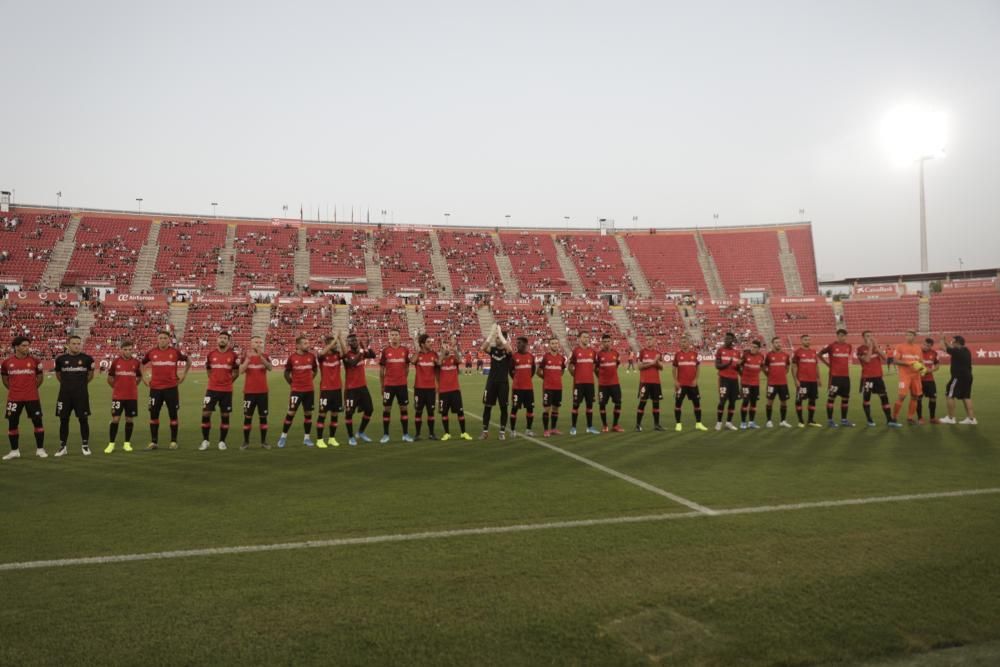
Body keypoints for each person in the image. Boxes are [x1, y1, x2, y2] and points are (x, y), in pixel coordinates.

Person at [142, 330, 191, 449]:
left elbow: (188, 360)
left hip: (171, 388)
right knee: (153, 415)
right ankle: (154, 442)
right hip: (155, 389)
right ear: (157, 339)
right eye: (161, 338)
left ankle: (173, 441)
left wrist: (184, 374)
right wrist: (143, 376)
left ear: (169, 340)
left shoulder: (175, 352)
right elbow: (141, 363)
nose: (163, 340)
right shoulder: (151, 353)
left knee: (173, 415)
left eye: (165, 338)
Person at [1, 336, 46, 460]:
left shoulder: (35, 361)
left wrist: (30, 388)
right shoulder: (6, 363)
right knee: (12, 424)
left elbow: (40, 378)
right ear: (16, 347)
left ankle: (40, 449)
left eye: (28, 345)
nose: (27, 348)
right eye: (24, 346)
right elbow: (5, 379)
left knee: (38, 422)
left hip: (32, 397)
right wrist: (14, 389)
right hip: (14, 398)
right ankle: (14, 451)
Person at [54, 334, 96, 456]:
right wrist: (67, 385)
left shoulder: (88, 359)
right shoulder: (60, 359)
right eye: (74, 343)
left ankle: (85, 445)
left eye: (79, 343)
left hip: (81, 395)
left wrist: (81, 385)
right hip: (64, 395)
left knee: (83, 419)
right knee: (63, 420)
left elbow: (90, 375)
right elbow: (58, 375)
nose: (77, 346)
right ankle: (62, 447)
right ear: (68, 344)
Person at [199, 331, 239, 451]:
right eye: (221, 338)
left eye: (225, 338)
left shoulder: (233, 355)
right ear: (217, 340)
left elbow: (236, 372)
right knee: (206, 414)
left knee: (225, 415)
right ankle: (205, 440)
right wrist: (212, 380)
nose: (222, 340)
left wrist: (228, 381)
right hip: (211, 389)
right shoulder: (211, 354)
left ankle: (222, 441)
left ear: (228, 341)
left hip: (226, 390)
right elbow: (208, 369)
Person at [278, 335, 318, 448]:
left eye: (308, 342)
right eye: (305, 343)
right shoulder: (292, 357)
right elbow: (286, 373)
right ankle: (283, 436)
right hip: (296, 391)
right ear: (298, 345)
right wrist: (292, 384)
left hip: (309, 390)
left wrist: (311, 379)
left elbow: (315, 369)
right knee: (291, 413)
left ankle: (307, 438)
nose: (308, 345)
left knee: (308, 414)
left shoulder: (311, 356)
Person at [105, 340, 142, 453]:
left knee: (129, 419)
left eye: (130, 349)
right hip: (118, 396)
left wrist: (133, 386)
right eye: (125, 349)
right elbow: (110, 378)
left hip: (131, 396)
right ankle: (111, 444)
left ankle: (127, 443)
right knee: (115, 419)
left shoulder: (136, 362)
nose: (127, 351)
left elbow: (139, 377)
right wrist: (117, 387)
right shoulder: (116, 362)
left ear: (132, 350)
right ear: (121, 350)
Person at [856, 331, 899, 428]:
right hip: (867, 378)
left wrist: (876, 347)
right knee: (866, 399)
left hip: (878, 377)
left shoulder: (876, 348)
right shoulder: (860, 349)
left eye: (871, 336)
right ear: (863, 337)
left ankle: (889, 420)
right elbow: (867, 360)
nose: (870, 337)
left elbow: (885, 358)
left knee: (884, 398)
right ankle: (869, 420)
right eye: (867, 336)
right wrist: (871, 347)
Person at [342, 333, 377, 445]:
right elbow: (352, 363)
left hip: (363, 387)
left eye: (355, 340)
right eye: (351, 341)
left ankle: (361, 432)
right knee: (349, 413)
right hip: (351, 389)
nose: (354, 342)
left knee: (369, 410)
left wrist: (367, 347)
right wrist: (361, 352)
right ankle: (351, 437)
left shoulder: (361, 353)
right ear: (348, 343)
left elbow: (373, 355)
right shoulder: (346, 355)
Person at [239, 335, 273, 449]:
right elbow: (241, 371)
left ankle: (264, 442)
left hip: (263, 392)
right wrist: (248, 359)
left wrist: (261, 357)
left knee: (263, 417)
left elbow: (270, 368)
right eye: (256, 342)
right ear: (251, 344)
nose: (258, 344)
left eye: (260, 342)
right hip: (249, 392)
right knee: (247, 417)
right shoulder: (245, 356)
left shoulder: (266, 356)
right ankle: (246, 442)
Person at [379, 328, 412, 443]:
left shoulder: (405, 350)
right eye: (392, 335)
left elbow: (407, 367)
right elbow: (381, 369)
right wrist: (382, 385)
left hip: (402, 385)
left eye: (396, 334)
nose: (394, 336)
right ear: (389, 336)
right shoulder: (385, 351)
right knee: (387, 409)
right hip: (389, 385)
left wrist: (403, 378)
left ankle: (405, 434)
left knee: (404, 408)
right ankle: (386, 435)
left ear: (399, 336)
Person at [480, 323, 513, 439]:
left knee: (503, 408)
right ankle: (485, 431)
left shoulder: (508, 352)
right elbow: (483, 348)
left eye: (498, 338)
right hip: (491, 383)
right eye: (497, 337)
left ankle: (502, 432)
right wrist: (491, 335)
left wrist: (500, 334)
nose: (497, 339)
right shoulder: (493, 350)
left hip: (503, 383)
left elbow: (510, 349)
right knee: (487, 407)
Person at [437, 335, 472, 440]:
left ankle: (463, 432)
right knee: (444, 413)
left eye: (447, 345)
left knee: (460, 412)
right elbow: (438, 363)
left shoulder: (453, 358)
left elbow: (460, 360)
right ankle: (447, 433)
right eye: (444, 345)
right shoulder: (440, 359)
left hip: (455, 390)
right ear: (441, 347)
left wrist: (454, 349)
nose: (447, 347)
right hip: (443, 391)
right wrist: (443, 352)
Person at [819, 328, 854, 427]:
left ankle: (844, 420)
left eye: (844, 336)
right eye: (841, 335)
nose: (843, 337)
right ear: (837, 336)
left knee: (845, 398)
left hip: (846, 377)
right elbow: (819, 354)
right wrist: (827, 364)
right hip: (835, 377)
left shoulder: (849, 346)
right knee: (831, 398)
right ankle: (830, 420)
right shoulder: (831, 346)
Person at [672, 335, 707, 431]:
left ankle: (698, 423)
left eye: (685, 342)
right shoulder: (677, 355)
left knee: (697, 404)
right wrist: (675, 381)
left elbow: (698, 367)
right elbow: (674, 369)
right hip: (681, 384)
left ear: (689, 343)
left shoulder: (694, 354)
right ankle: (678, 424)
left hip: (692, 384)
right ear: (680, 344)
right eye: (682, 342)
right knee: (678, 404)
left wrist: (696, 379)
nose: (684, 344)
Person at [316, 333, 345, 448]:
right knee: (322, 415)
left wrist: (340, 340)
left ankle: (332, 438)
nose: (336, 345)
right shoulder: (321, 356)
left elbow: (345, 352)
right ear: (328, 344)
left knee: (335, 415)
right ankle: (319, 439)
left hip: (337, 389)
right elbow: (323, 352)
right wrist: (333, 342)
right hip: (326, 389)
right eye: (334, 344)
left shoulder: (337, 355)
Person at [939, 335, 975, 424]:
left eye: (953, 341)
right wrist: (946, 341)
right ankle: (971, 419)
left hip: (958, 377)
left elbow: (942, 347)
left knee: (949, 394)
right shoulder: (965, 350)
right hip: (968, 376)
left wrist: (941, 339)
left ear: (957, 343)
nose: (952, 343)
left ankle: (951, 418)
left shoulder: (956, 351)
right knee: (966, 396)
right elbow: (950, 347)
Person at [568, 331, 598, 435]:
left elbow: (594, 365)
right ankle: (573, 427)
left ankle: (589, 427)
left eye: (587, 337)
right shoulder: (575, 351)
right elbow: (570, 366)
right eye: (584, 337)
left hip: (590, 383)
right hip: (579, 383)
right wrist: (574, 375)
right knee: (576, 405)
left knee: (589, 406)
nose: (586, 339)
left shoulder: (592, 352)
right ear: (579, 338)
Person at [891, 330, 924, 426]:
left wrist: (922, 369)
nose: (909, 336)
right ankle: (894, 417)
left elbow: (920, 362)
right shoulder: (900, 346)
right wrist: (908, 363)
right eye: (907, 335)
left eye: (911, 335)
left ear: (914, 337)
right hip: (904, 376)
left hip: (916, 376)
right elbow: (895, 360)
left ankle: (910, 417)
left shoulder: (918, 348)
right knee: (902, 396)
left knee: (915, 396)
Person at [411, 333, 439, 440]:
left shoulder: (434, 354)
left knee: (430, 412)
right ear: (422, 344)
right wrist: (419, 351)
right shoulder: (418, 354)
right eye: (428, 342)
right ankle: (417, 434)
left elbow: (439, 364)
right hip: (419, 388)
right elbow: (412, 361)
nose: (430, 343)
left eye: (430, 341)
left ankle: (431, 434)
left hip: (431, 389)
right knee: (418, 412)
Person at [508, 336, 536, 436]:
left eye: (519, 343)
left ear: (525, 344)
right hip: (517, 388)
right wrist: (517, 380)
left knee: (530, 409)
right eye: (517, 342)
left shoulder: (531, 357)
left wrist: (526, 379)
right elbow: (510, 371)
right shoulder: (513, 357)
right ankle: (512, 430)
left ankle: (528, 430)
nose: (517, 344)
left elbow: (533, 371)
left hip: (529, 388)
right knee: (514, 409)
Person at [538, 337, 565, 437]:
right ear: (550, 345)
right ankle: (546, 430)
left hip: (558, 387)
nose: (555, 345)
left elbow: (562, 371)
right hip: (548, 388)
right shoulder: (546, 357)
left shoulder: (561, 358)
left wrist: (556, 377)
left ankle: (553, 429)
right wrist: (545, 379)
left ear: (559, 345)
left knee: (556, 408)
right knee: (547, 409)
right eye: (553, 343)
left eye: (556, 343)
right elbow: (538, 371)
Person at [792, 334, 821, 427]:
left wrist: (818, 378)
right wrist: (796, 379)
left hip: (813, 381)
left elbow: (816, 365)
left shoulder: (813, 352)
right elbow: (794, 366)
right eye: (805, 340)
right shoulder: (797, 352)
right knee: (799, 400)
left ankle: (810, 420)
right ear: (801, 341)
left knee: (812, 400)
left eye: (808, 339)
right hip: (802, 381)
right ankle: (800, 421)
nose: (807, 341)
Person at [763, 337, 792, 428]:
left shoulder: (786, 355)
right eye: (776, 342)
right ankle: (769, 421)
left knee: (784, 402)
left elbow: (787, 367)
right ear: (772, 344)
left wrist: (783, 374)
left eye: (779, 342)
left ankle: (783, 421)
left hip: (783, 383)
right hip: (772, 383)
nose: (778, 344)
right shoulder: (769, 355)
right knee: (769, 402)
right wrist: (768, 375)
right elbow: (764, 367)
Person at [596, 333, 623, 432]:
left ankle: (615, 425)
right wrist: (601, 378)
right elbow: (595, 369)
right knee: (602, 404)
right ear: (602, 343)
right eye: (605, 342)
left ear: (611, 342)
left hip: (615, 383)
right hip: (603, 385)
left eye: (608, 341)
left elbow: (616, 365)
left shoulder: (615, 353)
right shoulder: (598, 355)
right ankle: (605, 425)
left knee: (618, 403)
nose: (607, 343)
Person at [635, 342, 665, 431]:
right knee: (642, 403)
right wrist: (652, 363)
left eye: (651, 339)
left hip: (656, 382)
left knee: (656, 403)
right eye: (647, 339)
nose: (649, 341)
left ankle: (656, 425)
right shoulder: (641, 352)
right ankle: (638, 425)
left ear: (653, 340)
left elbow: (662, 367)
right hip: (645, 382)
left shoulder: (658, 353)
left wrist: (656, 362)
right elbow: (639, 367)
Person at [715, 331, 740, 431]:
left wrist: (740, 366)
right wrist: (727, 364)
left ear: (733, 340)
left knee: (733, 402)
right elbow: (717, 366)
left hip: (734, 380)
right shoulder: (720, 350)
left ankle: (729, 423)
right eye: (725, 338)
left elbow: (738, 368)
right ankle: (719, 422)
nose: (726, 340)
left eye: (729, 339)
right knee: (722, 401)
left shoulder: (737, 353)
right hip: (724, 379)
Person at [738, 340, 764, 429]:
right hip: (745, 383)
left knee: (754, 403)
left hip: (755, 383)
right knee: (745, 401)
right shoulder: (745, 355)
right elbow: (738, 365)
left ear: (759, 348)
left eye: (755, 347)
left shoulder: (761, 356)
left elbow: (761, 366)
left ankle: (751, 422)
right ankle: (743, 422)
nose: (753, 348)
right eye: (752, 346)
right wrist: (742, 374)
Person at [916, 337, 940, 424]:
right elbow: (912, 364)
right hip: (918, 380)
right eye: (925, 345)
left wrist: (931, 370)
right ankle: (920, 418)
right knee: (918, 399)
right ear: (923, 343)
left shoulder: (934, 353)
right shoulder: (917, 352)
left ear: (931, 346)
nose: (926, 347)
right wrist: (921, 370)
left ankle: (932, 418)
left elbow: (937, 366)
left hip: (930, 380)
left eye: (928, 346)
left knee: (933, 398)